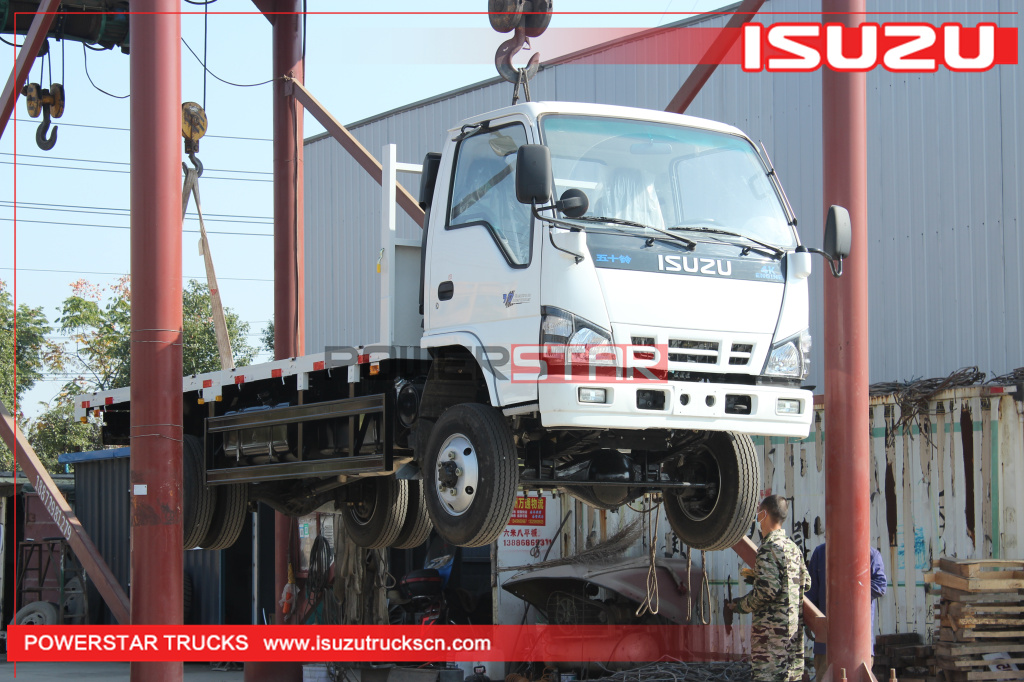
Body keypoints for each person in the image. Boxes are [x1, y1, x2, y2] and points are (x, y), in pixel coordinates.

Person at [724, 495, 811, 682]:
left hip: (771, 645)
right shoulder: (793, 549)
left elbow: (767, 591)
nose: (757, 518)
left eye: (758, 514)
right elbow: (806, 582)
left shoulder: (768, 549)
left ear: (763, 514)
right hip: (793, 643)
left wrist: (740, 606)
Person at [806, 543, 888, 676]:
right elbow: (810, 594)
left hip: (858, 643)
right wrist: (810, 621)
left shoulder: (870, 554)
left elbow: (880, 586)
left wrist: (850, 590)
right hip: (826, 645)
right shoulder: (821, 553)